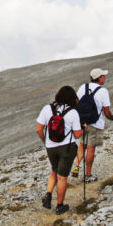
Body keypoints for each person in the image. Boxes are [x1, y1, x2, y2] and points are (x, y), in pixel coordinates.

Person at [36, 85, 83, 215]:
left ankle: (48, 194)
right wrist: (84, 128)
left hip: (51, 147)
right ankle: (60, 206)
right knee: (62, 177)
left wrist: (45, 142)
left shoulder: (47, 108)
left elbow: (39, 129)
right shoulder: (73, 112)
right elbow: (78, 134)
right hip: (67, 147)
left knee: (54, 170)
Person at [71, 68, 113, 183]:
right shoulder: (103, 91)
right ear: (99, 78)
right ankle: (88, 175)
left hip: (83, 123)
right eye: (103, 76)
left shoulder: (83, 87)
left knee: (82, 145)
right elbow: (106, 112)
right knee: (91, 149)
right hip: (95, 124)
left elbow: (76, 103)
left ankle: (76, 166)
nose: (105, 78)